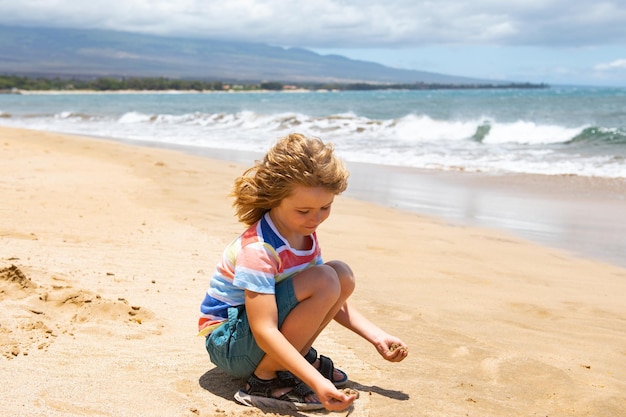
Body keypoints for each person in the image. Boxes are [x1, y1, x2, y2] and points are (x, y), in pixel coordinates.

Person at [198, 133, 408, 412]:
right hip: (230, 344)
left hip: (252, 337)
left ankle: (288, 362)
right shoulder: (259, 249)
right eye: (304, 210)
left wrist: (376, 336)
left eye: (325, 207)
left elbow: (332, 294)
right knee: (323, 278)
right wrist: (316, 382)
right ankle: (263, 380)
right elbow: (264, 330)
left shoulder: (304, 235)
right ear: (275, 198)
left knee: (339, 274)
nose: (316, 218)